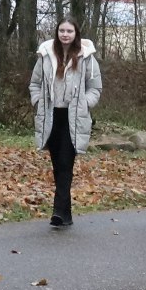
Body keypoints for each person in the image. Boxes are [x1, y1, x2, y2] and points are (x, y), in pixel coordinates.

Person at [29, 17, 103, 230]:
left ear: (76, 33)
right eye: (62, 30)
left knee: (65, 163)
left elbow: (95, 88)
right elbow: (35, 83)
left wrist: (84, 104)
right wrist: (38, 101)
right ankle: (65, 213)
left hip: (73, 118)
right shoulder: (45, 54)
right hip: (52, 117)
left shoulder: (87, 57)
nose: (65, 34)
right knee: (57, 165)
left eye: (69, 30)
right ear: (57, 32)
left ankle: (58, 212)